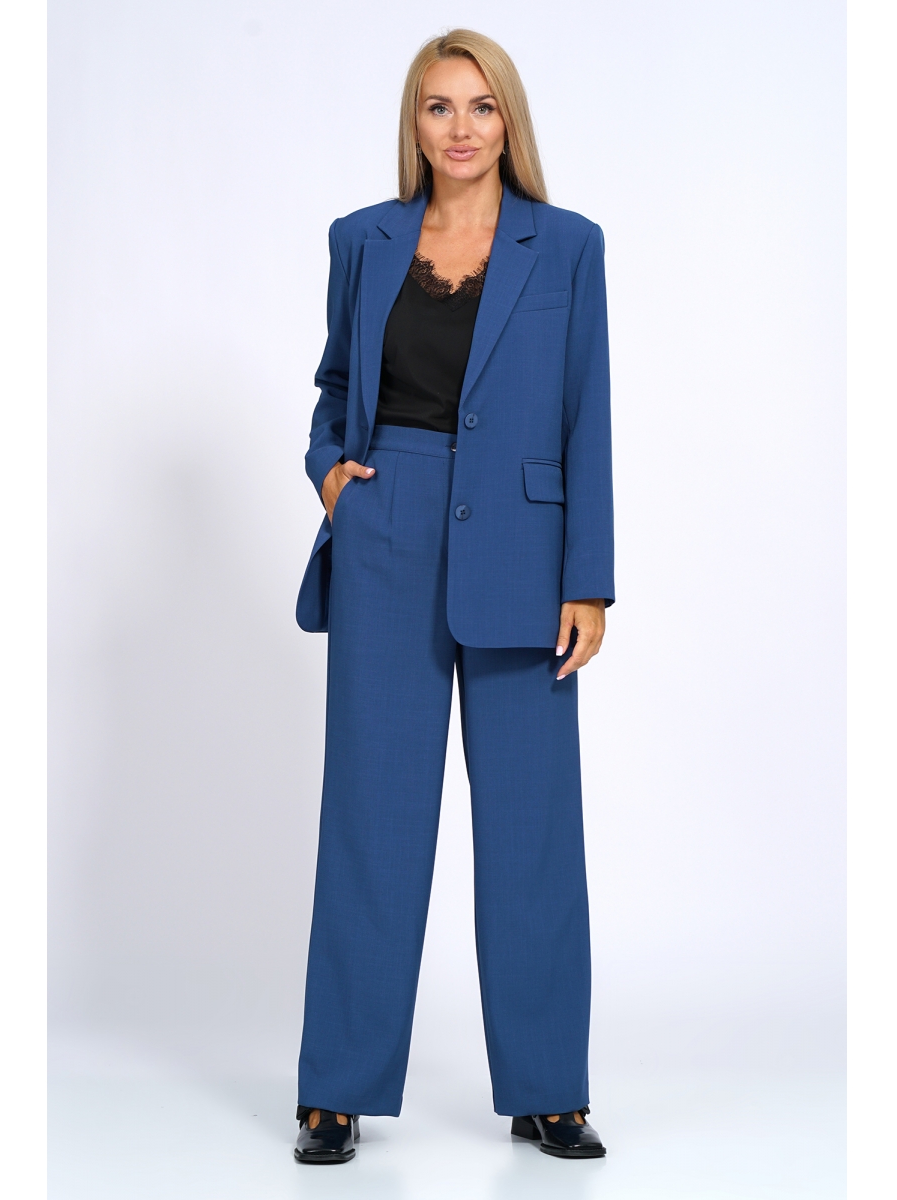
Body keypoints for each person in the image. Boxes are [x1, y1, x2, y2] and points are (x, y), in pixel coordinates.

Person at [293, 28, 613, 1164]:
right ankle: (335, 1089)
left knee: (532, 829)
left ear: (508, 118)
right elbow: (335, 386)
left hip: (525, 553)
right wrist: (332, 475)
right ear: (415, 122)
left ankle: (549, 1089)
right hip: (388, 532)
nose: (461, 127)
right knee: (371, 820)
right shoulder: (363, 239)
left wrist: (590, 579)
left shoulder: (567, 246)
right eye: (439, 107)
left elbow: (587, 413)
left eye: (480, 106)